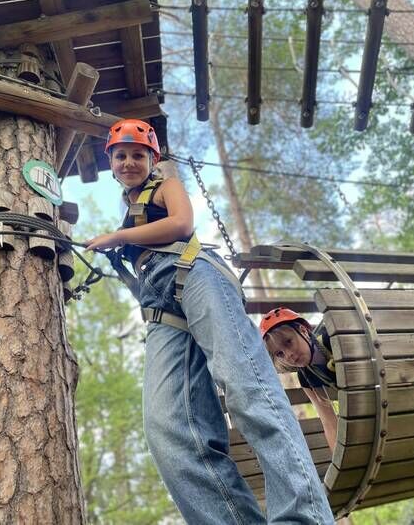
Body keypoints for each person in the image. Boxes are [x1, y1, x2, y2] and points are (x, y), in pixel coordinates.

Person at [84, 119, 334, 524]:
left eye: (138, 155)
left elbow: (181, 224)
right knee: (167, 428)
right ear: (110, 162)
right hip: (160, 305)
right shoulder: (128, 211)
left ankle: (303, 518)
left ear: (153, 159)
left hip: (196, 274)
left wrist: (118, 238)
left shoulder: (165, 186)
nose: (129, 162)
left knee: (246, 387)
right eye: (121, 155)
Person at [259, 308, 339, 451]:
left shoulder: (332, 340)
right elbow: (329, 422)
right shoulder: (306, 377)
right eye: (280, 354)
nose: (288, 355)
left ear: (303, 331)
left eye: (288, 342)